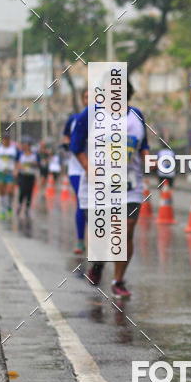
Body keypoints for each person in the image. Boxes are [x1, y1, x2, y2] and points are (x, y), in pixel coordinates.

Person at [71, 82, 149, 298]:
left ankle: (118, 281)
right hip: (97, 187)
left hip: (129, 185)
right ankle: (97, 264)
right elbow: (76, 146)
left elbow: (144, 147)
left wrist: (148, 160)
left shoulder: (137, 115)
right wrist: (88, 167)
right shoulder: (90, 114)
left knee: (126, 230)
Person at [63, 88, 89, 254]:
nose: (89, 99)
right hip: (77, 169)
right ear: (82, 100)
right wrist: (69, 144)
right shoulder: (74, 119)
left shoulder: (106, 119)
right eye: (86, 97)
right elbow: (66, 136)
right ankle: (80, 241)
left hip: (101, 169)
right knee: (82, 203)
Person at [0, 133, 18, 219]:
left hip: (10, 173)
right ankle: (2, 209)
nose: (6, 141)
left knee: (9, 191)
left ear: (9, 140)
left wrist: (16, 170)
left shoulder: (14, 149)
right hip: (0, 173)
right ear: (2, 140)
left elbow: (18, 161)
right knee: (1, 191)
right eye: (4, 139)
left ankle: (9, 206)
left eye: (7, 139)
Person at [14, 137, 40, 217]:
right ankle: (20, 205)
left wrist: (33, 164)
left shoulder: (34, 154)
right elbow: (17, 163)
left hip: (31, 176)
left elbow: (38, 164)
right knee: (22, 191)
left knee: (29, 192)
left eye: (26, 145)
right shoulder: (20, 153)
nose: (25, 146)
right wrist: (18, 169)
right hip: (22, 176)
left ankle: (27, 209)